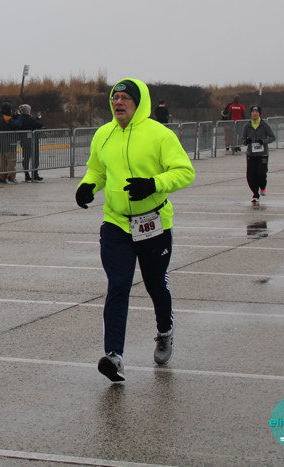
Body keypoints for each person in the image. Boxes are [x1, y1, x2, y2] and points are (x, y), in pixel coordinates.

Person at [75, 79, 195, 383]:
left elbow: (185, 172)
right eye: (115, 97)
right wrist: (87, 186)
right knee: (118, 285)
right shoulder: (103, 134)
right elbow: (97, 170)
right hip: (116, 223)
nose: (118, 102)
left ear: (139, 103)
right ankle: (114, 357)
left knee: (155, 284)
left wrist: (154, 184)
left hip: (153, 223)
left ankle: (165, 332)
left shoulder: (160, 135)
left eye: (125, 97)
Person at [240, 105, 275, 205]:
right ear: (250, 113)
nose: (254, 113)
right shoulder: (247, 126)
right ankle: (255, 194)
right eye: (253, 112)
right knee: (250, 176)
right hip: (251, 155)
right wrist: (246, 141)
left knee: (261, 174)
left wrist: (263, 141)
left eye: (256, 112)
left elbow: (272, 137)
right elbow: (242, 140)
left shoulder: (265, 125)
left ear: (259, 113)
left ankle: (262, 187)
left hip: (262, 155)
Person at [15, 104, 44, 182]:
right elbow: (40, 124)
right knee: (35, 157)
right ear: (28, 111)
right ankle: (35, 173)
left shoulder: (20, 119)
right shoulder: (30, 119)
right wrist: (39, 118)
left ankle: (26, 174)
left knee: (26, 157)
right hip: (33, 141)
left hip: (24, 141)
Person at [0, 102, 20, 183]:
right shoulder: (7, 117)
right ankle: (11, 176)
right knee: (11, 160)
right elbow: (17, 124)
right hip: (10, 143)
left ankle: (2, 177)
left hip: (0, 143)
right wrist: (18, 116)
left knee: (2, 161)